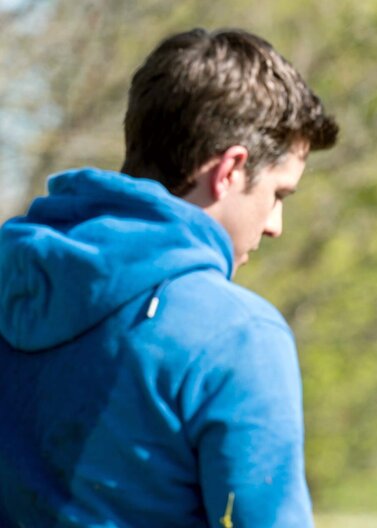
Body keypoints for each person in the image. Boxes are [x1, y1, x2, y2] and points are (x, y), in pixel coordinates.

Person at [0, 28, 337, 526]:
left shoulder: (12, 282)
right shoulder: (239, 335)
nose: (275, 226)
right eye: (279, 195)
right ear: (230, 170)